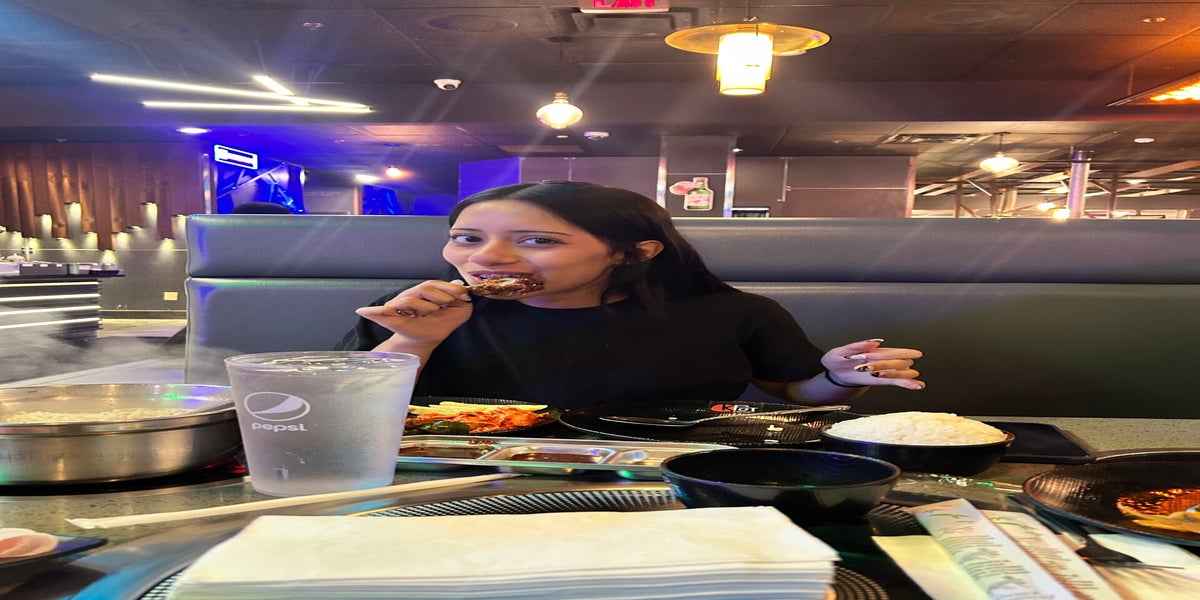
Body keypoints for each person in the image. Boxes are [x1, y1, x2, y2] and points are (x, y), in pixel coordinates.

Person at [336, 181, 923, 409]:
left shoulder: (733, 314)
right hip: (466, 485)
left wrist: (838, 377)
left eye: (537, 240)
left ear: (632, 253)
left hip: (670, 479)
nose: (485, 258)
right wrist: (414, 343)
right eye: (467, 238)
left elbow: (794, 393)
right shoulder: (419, 310)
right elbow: (342, 417)